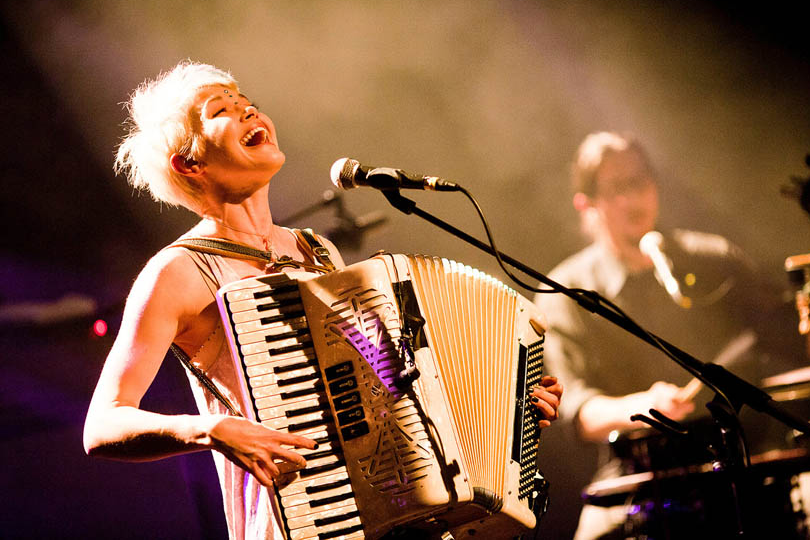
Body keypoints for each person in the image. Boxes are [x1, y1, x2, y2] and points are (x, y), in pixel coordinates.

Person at [83, 61, 563, 540]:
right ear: (190, 164)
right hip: (290, 522)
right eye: (223, 110)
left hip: (387, 514)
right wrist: (209, 431)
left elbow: (383, 386)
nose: (250, 112)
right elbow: (104, 423)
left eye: (250, 104)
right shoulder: (177, 272)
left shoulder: (316, 250)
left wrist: (510, 401)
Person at [534, 131, 805, 539]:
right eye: (617, 188)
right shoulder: (566, 289)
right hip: (638, 476)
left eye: (641, 181)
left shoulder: (715, 258)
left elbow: (792, 339)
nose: (634, 197)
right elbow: (574, 410)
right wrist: (645, 404)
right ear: (586, 204)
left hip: (747, 460)